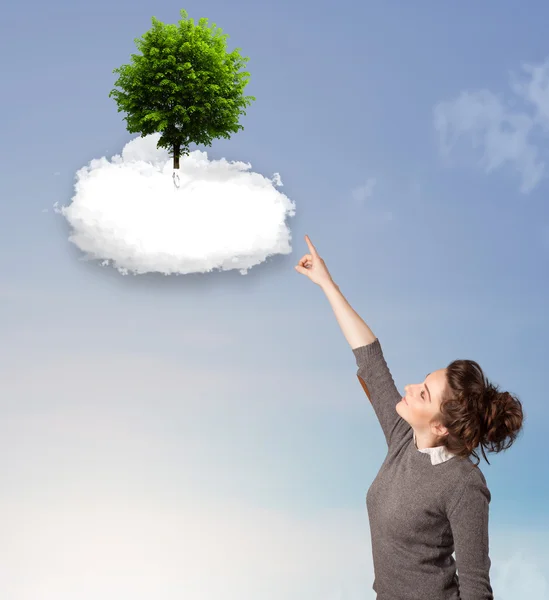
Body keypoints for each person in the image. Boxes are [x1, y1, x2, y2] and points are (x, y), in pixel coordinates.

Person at [295, 235, 524, 600]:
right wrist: (327, 283)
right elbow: (370, 358)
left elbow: (477, 589)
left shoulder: (463, 484)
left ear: (440, 426)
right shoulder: (404, 438)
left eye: (423, 393)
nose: (409, 386)